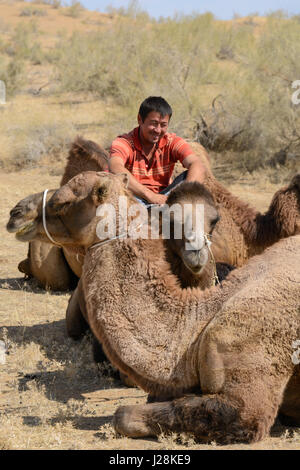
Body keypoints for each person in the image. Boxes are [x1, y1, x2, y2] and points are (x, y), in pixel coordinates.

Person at [109, 96, 208, 207]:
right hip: (134, 198)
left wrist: (184, 196)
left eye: (163, 125)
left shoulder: (172, 142)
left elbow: (197, 164)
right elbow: (115, 167)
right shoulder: (124, 142)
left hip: (165, 197)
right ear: (140, 120)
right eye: (154, 123)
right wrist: (149, 195)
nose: (158, 130)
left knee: (190, 177)